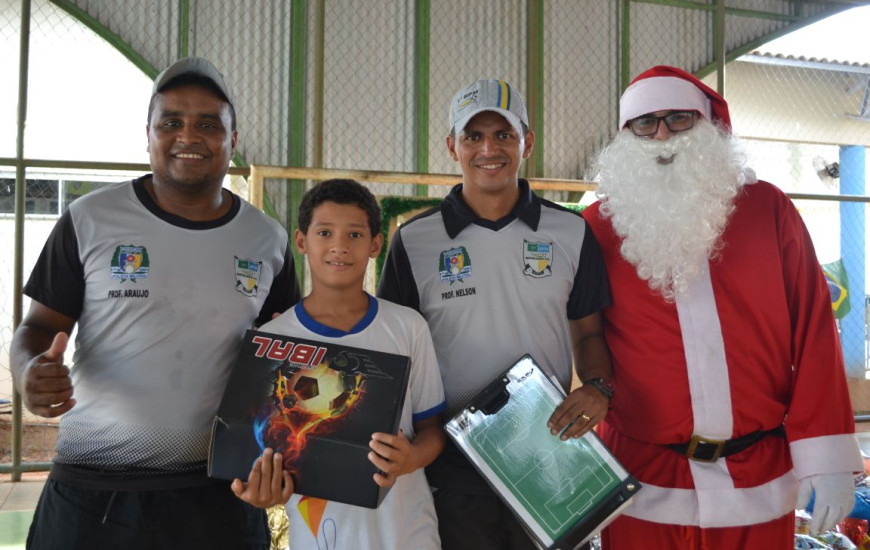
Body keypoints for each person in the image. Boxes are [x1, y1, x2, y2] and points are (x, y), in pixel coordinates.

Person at [11, 57, 301, 549]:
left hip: (218, 494)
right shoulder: (89, 219)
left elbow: (286, 360)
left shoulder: (266, 239)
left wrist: (283, 456)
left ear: (233, 138)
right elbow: (36, 328)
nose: (189, 136)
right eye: (171, 122)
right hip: (93, 490)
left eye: (209, 124)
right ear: (147, 134)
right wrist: (27, 372)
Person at [582, 65, 864, 549]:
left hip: (757, 480)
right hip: (643, 483)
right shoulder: (595, 227)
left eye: (678, 118)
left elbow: (815, 333)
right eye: (645, 123)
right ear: (626, 136)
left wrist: (828, 454)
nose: (663, 134)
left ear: (708, 124)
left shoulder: (768, 210)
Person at [377, 78, 613, 549]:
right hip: (452, 457)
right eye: (473, 136)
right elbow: (394, 355)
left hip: (547, 451)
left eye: (504, 134)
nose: (489, 148)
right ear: (452, 146)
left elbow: (588, 332)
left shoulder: (571, 232)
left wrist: (598, 389)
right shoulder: (415, 241)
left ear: (527, 142)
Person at [252, 178, 447, 549]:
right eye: (324, 232)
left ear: (375, 244)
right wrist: (263, 486)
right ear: (301, 241)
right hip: (321, 535)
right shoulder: (275, 340)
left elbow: (433, 430)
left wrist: (411, 458)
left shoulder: (407, 327)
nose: (339, 246)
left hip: (405, 533)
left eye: (355, 235)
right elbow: (262, 453)